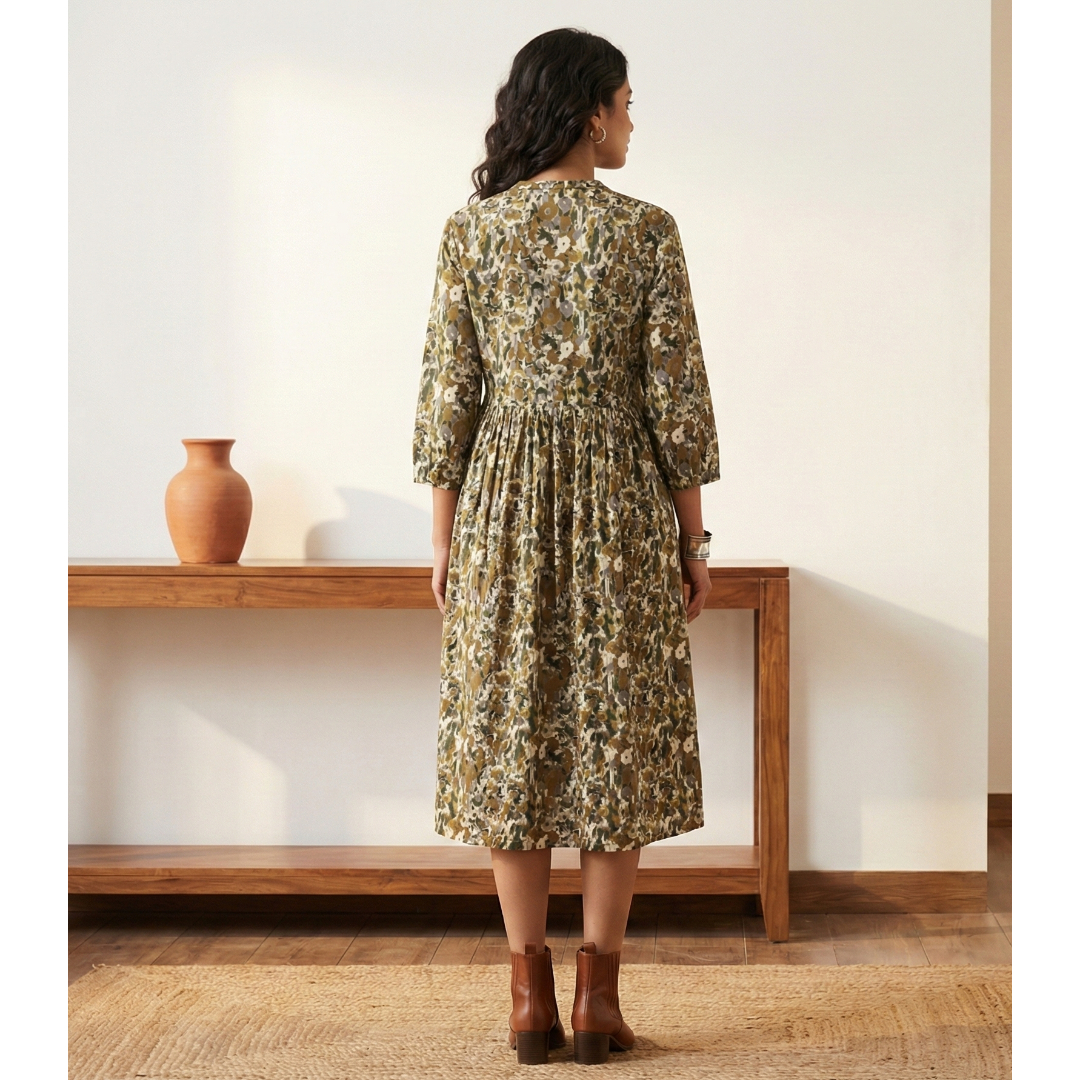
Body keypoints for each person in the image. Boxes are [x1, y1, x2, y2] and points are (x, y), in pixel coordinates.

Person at [413, 27, 720, 1066]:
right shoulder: (646, 232)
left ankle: (526, 1002)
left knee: (511, 734)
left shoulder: (472, 232)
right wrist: (693, 539)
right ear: (591, 111)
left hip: (499, 503)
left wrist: (445, 541)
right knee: (613, 736)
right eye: (626, 103)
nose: (632, 121)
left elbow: (448, 396)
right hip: (619, 501)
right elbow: (676, 400)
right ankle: (597, 1003)